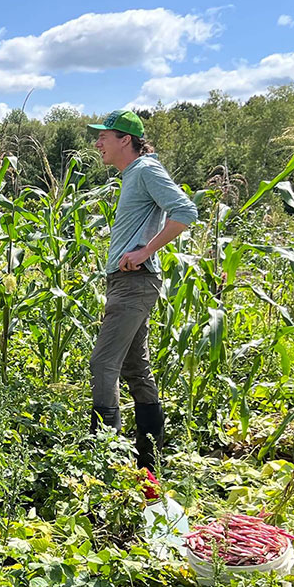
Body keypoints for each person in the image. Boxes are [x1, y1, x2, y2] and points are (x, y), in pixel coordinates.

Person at [87, 109, 198, 470]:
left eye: (105, 135)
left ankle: (103, 460)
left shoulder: (146, 169)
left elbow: (185, 211)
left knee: (103, 362)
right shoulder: (134, 174)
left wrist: (146, 249)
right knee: (136, 370)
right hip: (127, 282)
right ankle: (148, 465)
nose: (98, 142)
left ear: (126, 140)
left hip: (134, 283)